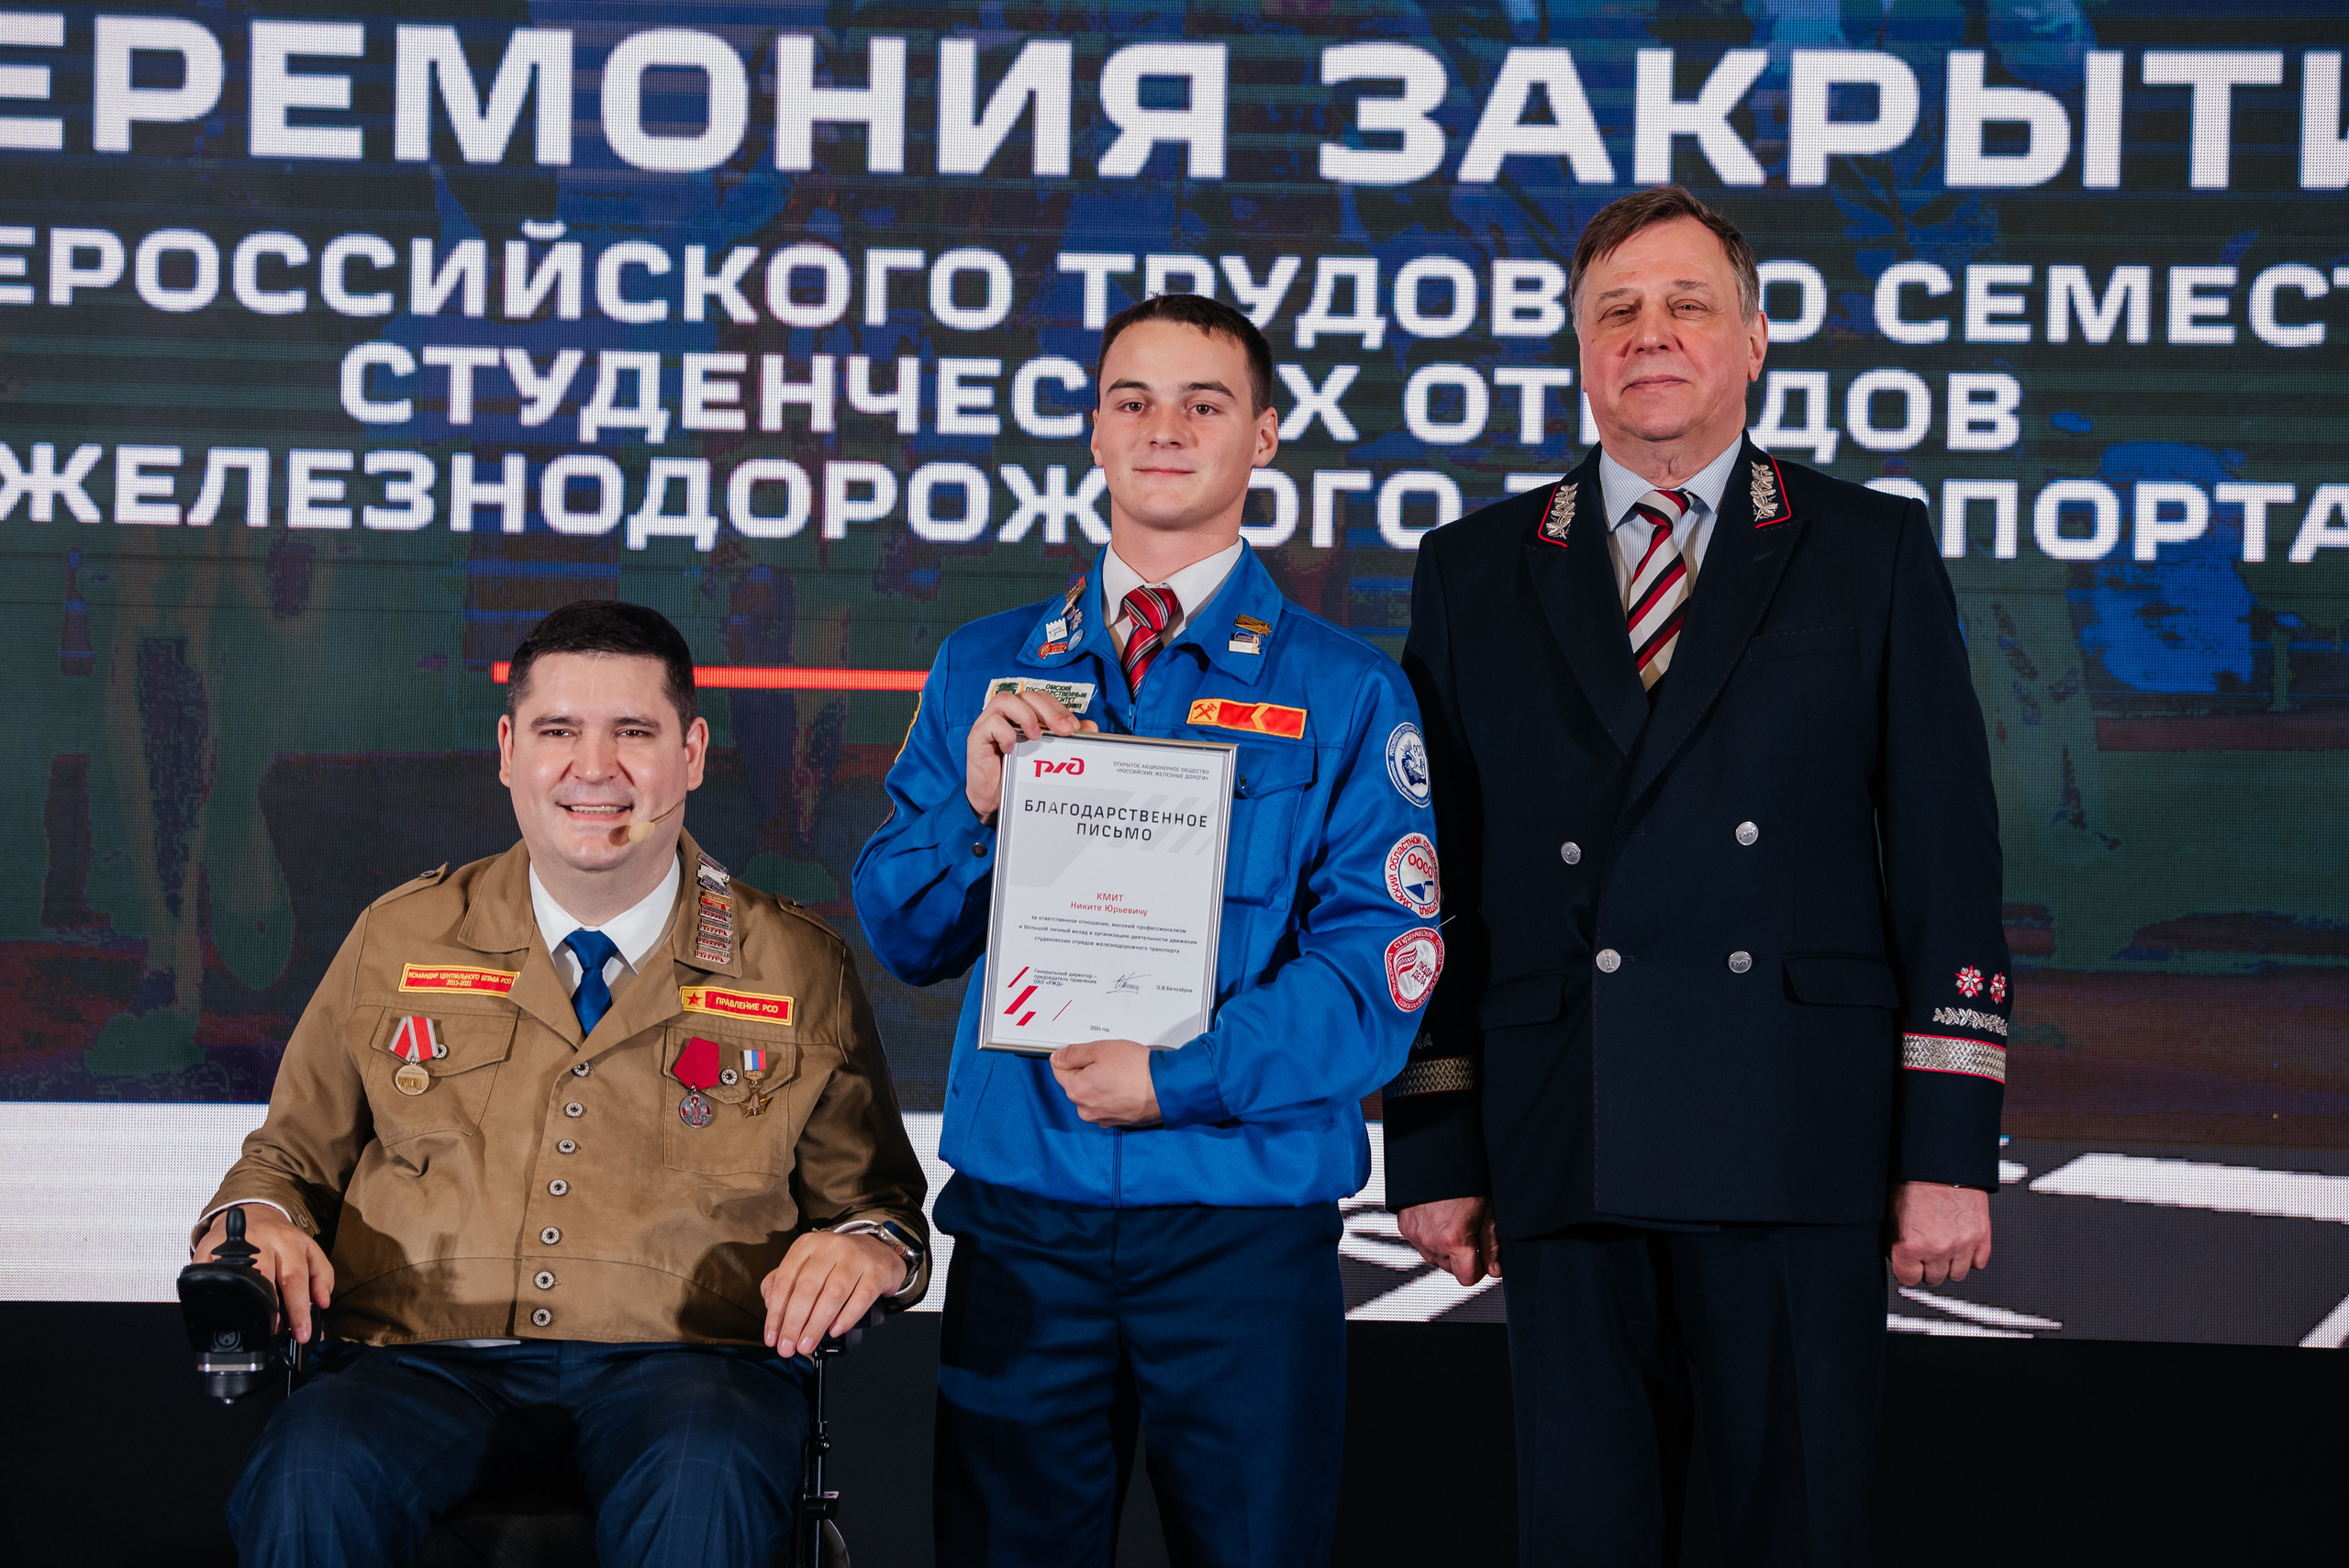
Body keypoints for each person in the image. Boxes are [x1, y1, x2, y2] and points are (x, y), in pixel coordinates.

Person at [1384, 185, 2012, 1565]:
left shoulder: (1869, 546)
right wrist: (1433, 1140)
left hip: (1797, 1134)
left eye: (1687, 304)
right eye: (1615, 310)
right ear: (1578, 346)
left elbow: (1946, 859)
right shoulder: (1472, 567)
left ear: (1756, 336)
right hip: (1568, 1130)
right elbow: (1436, 882)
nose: (1650, 333)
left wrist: (1948, 1149)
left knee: (1800, 1535)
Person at [852, 292, 1430, 1568]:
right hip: (1024, 1220)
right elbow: (903, 931)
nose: (1164, 428)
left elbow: (1375, 973)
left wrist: (1179, 1078)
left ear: (1263, 436)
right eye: (1134, 401)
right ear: (1096, 432)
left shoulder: (1346, 690)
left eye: (1202, 404)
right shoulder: (984, 664)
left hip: (1239, 1219)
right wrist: (974, 809)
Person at [194, 600, 930, 1568]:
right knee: (311, 1469)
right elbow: (285, 1161)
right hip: (414, 1357)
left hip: (690, 1368)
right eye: (557, 731)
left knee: (706, 1474)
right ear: (508, 750)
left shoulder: (795, 961)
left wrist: (868, 1249)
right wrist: (256, 1221)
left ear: (692, 752)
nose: (594, 767)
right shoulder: (398, 936)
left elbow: (878, 1208)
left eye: (634, 732)